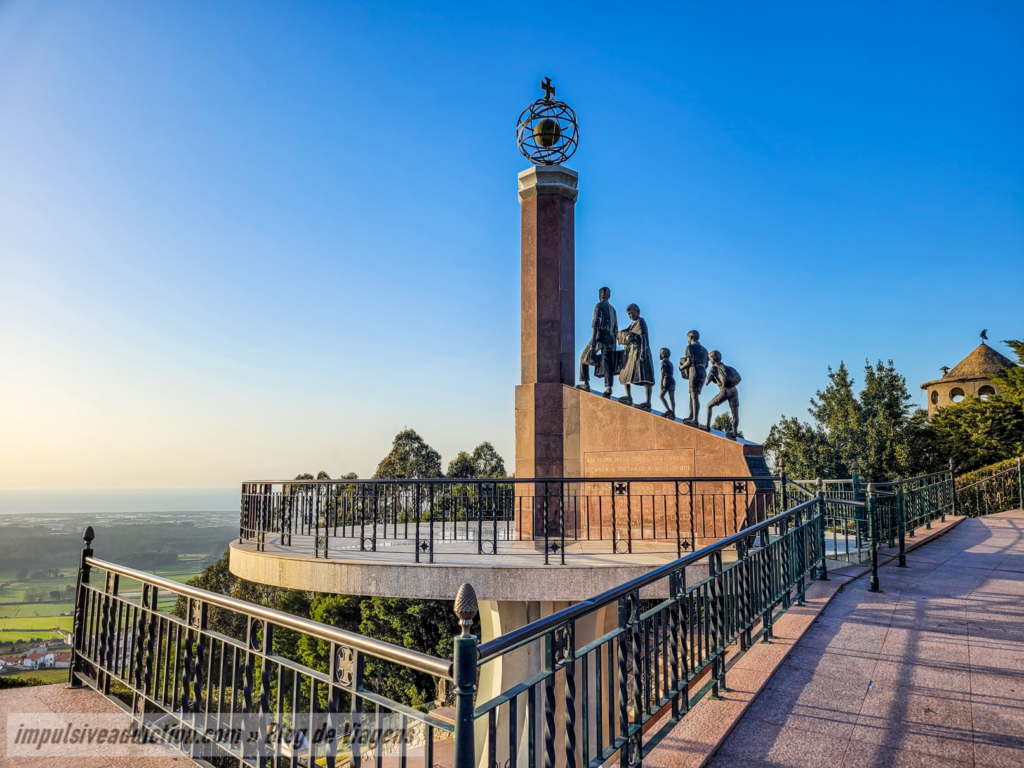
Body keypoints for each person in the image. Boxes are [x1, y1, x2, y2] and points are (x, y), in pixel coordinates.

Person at [577, 287, 619, 397]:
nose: (601, 294)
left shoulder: (599, 306)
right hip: (610, 339)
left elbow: (596, 324)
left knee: (583, 358)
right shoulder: (613, 310)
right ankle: (608, 388)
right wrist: (614, 345)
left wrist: (594, 342)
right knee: (608, 363)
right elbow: (615, 330)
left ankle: (586, 383)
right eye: (601, 292)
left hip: (600, 336)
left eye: (602, 292)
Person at [617, 304, 654, 410]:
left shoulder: (641, 322)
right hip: (632, 353)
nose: (630, 316)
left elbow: (643, 338)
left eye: (632, 313)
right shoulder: (633, 324)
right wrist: (622, 333)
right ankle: (628, 397)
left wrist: (643, 351)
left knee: (645, 377)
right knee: (625, 374)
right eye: (628, 314)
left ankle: (648, 402)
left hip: (641, 352)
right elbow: (626, 330)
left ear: (637, 312)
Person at [704, 350, 741, 438]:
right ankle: (735, 431)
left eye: (710, 359)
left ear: (713, 358)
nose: (710, 361)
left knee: (708, 406)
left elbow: (707, 381)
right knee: (734, 413)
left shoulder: (714, 368)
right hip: (734, 391)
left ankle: (707, 426)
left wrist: (709, 380)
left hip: (725, 391)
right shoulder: (728, 367)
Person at [678, 330, 709, 425]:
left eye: (687, 338)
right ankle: (691, 416)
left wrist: (681, 367)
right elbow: (707, 364)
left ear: (691, 337)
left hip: (694, 370)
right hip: (703, 371)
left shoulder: (690, 347)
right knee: (693, 395)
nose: (687, 340)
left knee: (694, 395)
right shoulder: (704, 349)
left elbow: (689, 361)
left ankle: (695, 419)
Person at [659, 348, 676, 419]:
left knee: (661, 396)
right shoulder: (670, 363)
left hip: (667, 379)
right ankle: (673, 413)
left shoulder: (663, 363)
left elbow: (662, 374)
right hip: (672, 379)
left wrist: (661, 383)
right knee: (671, 398)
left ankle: (668, 410)